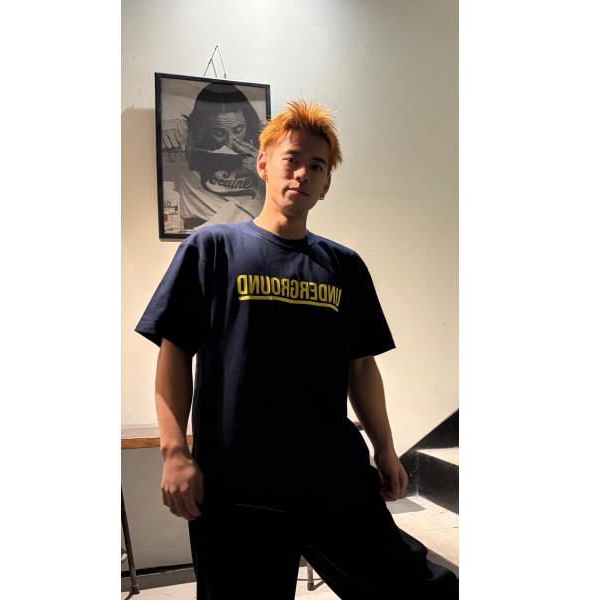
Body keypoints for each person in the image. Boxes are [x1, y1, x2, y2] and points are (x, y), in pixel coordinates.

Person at [136, 100, 458, 598]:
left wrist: (386, 449)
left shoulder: (344, 266)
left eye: (318, 166)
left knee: (418, 588)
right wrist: (175, 451)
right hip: (238, 483)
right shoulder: (211, 249)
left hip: (333, 475)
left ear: (326, 185)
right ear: (263, 164)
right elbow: (174, 352)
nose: (303, 172)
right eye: (293, 159)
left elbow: (362, 365)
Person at [161, 82, 265, 231]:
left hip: (250, 230)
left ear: (248, 122)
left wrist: (264, 170)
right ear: (203, 127)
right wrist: (165, 135)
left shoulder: (265, 139)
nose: (230, 142)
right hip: (199, 230)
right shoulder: (187, 132)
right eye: (219, 133)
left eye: (238, 129)